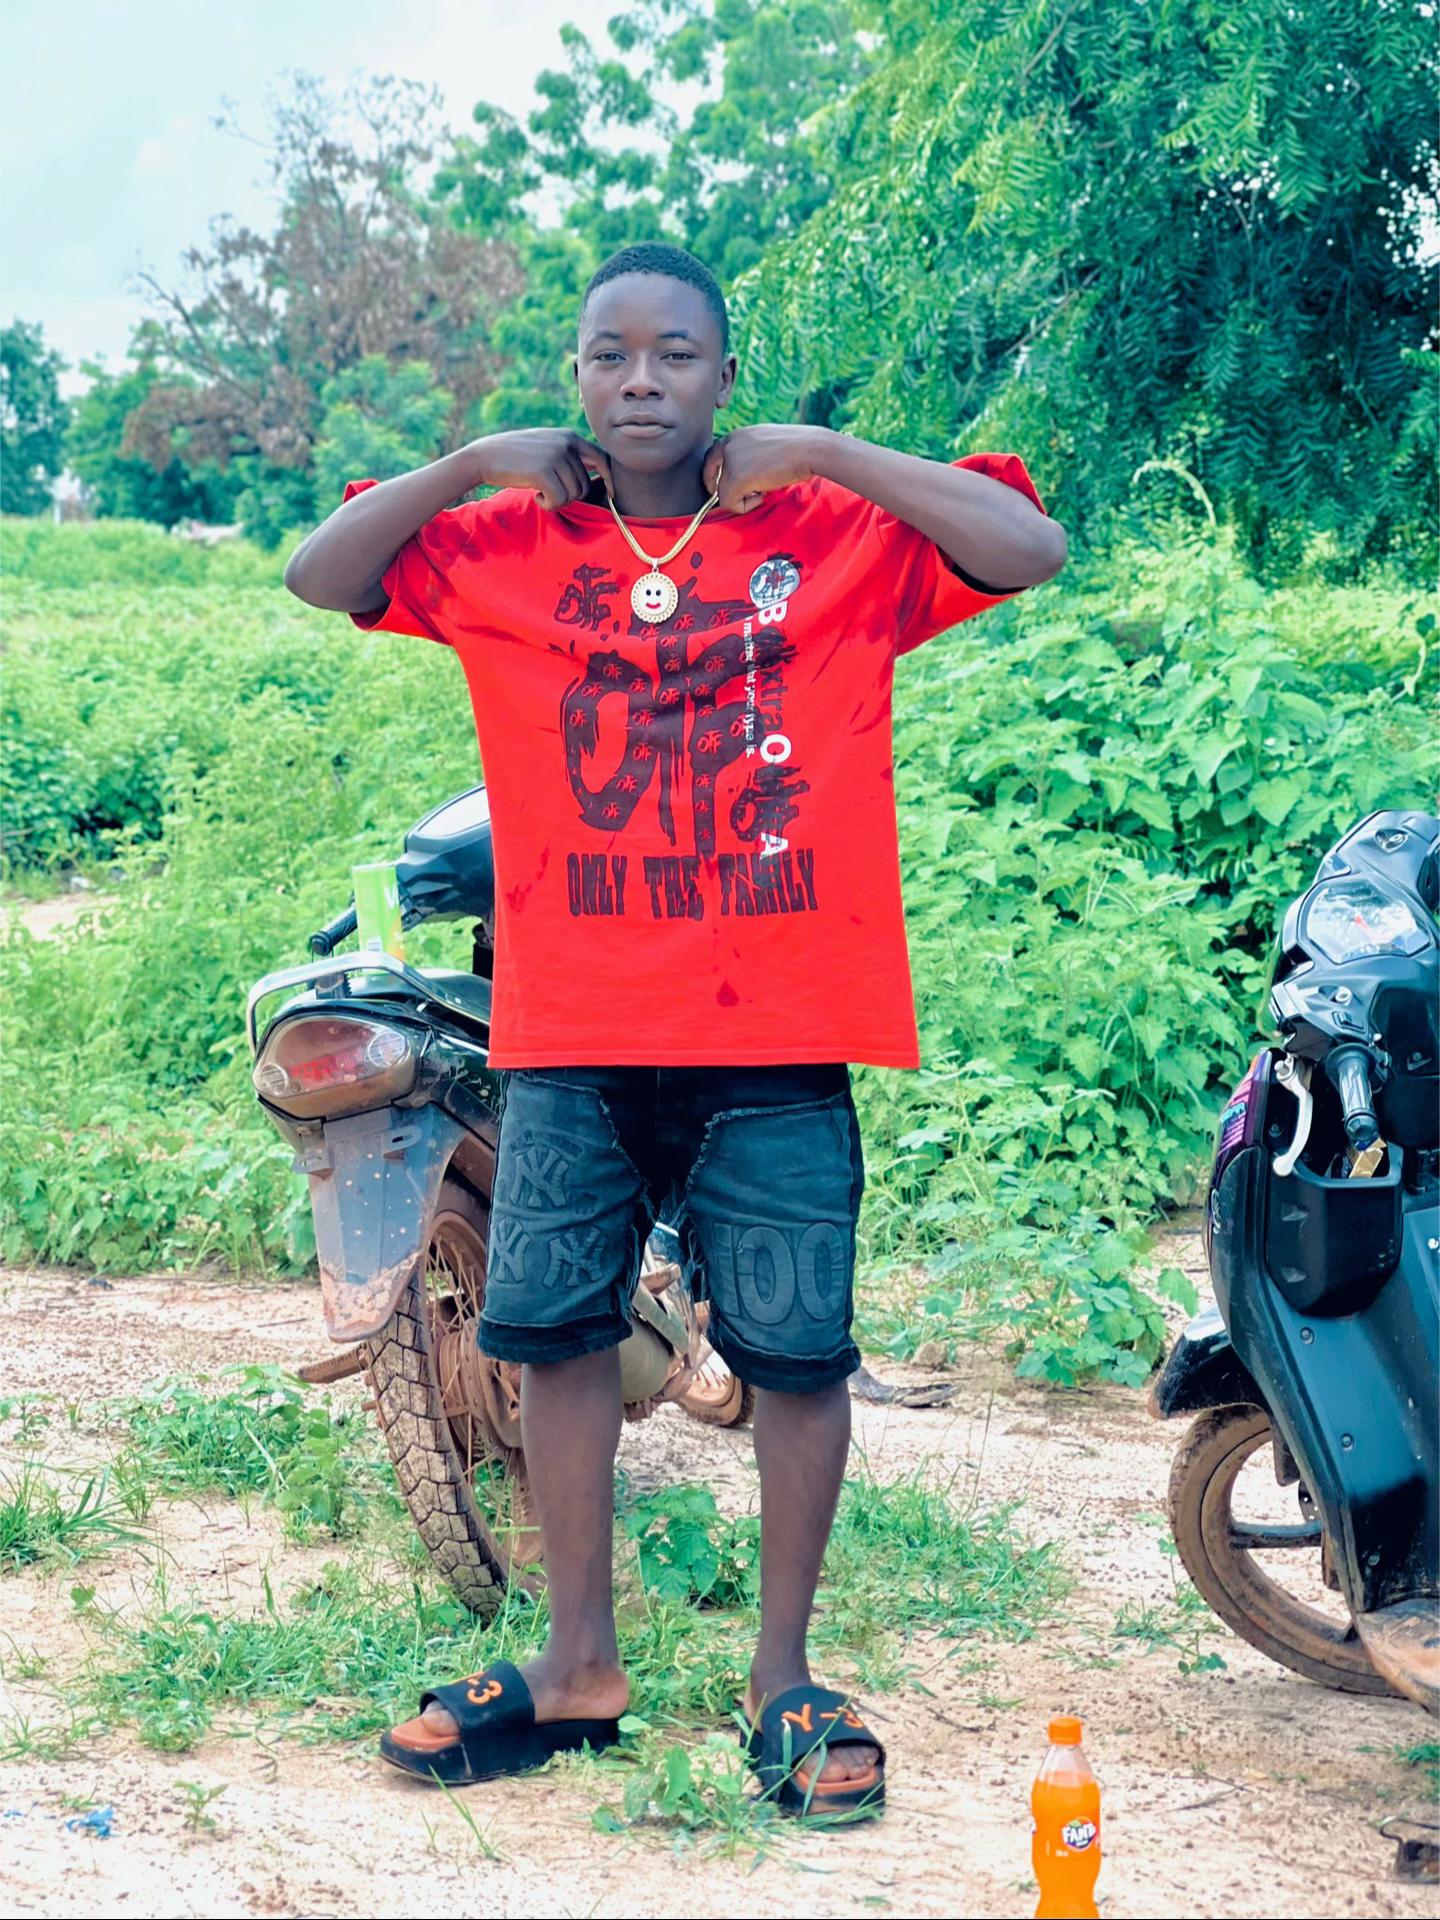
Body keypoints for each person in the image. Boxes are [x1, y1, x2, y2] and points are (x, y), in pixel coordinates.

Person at [284, 241, 1065, 1818]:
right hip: (573, 1027)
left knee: (796, 1349)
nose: (640, 381)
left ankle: (784, 1678)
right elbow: (321, 572)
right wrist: (467, 464)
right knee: (555, 1332)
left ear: (725, 375)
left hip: (779, 1024)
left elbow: (1028, 546)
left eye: (675, 354)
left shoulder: (829, 536)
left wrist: (829, 451)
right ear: (577, 375)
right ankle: (578, 1665)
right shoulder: (506, 543)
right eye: (609, 355)